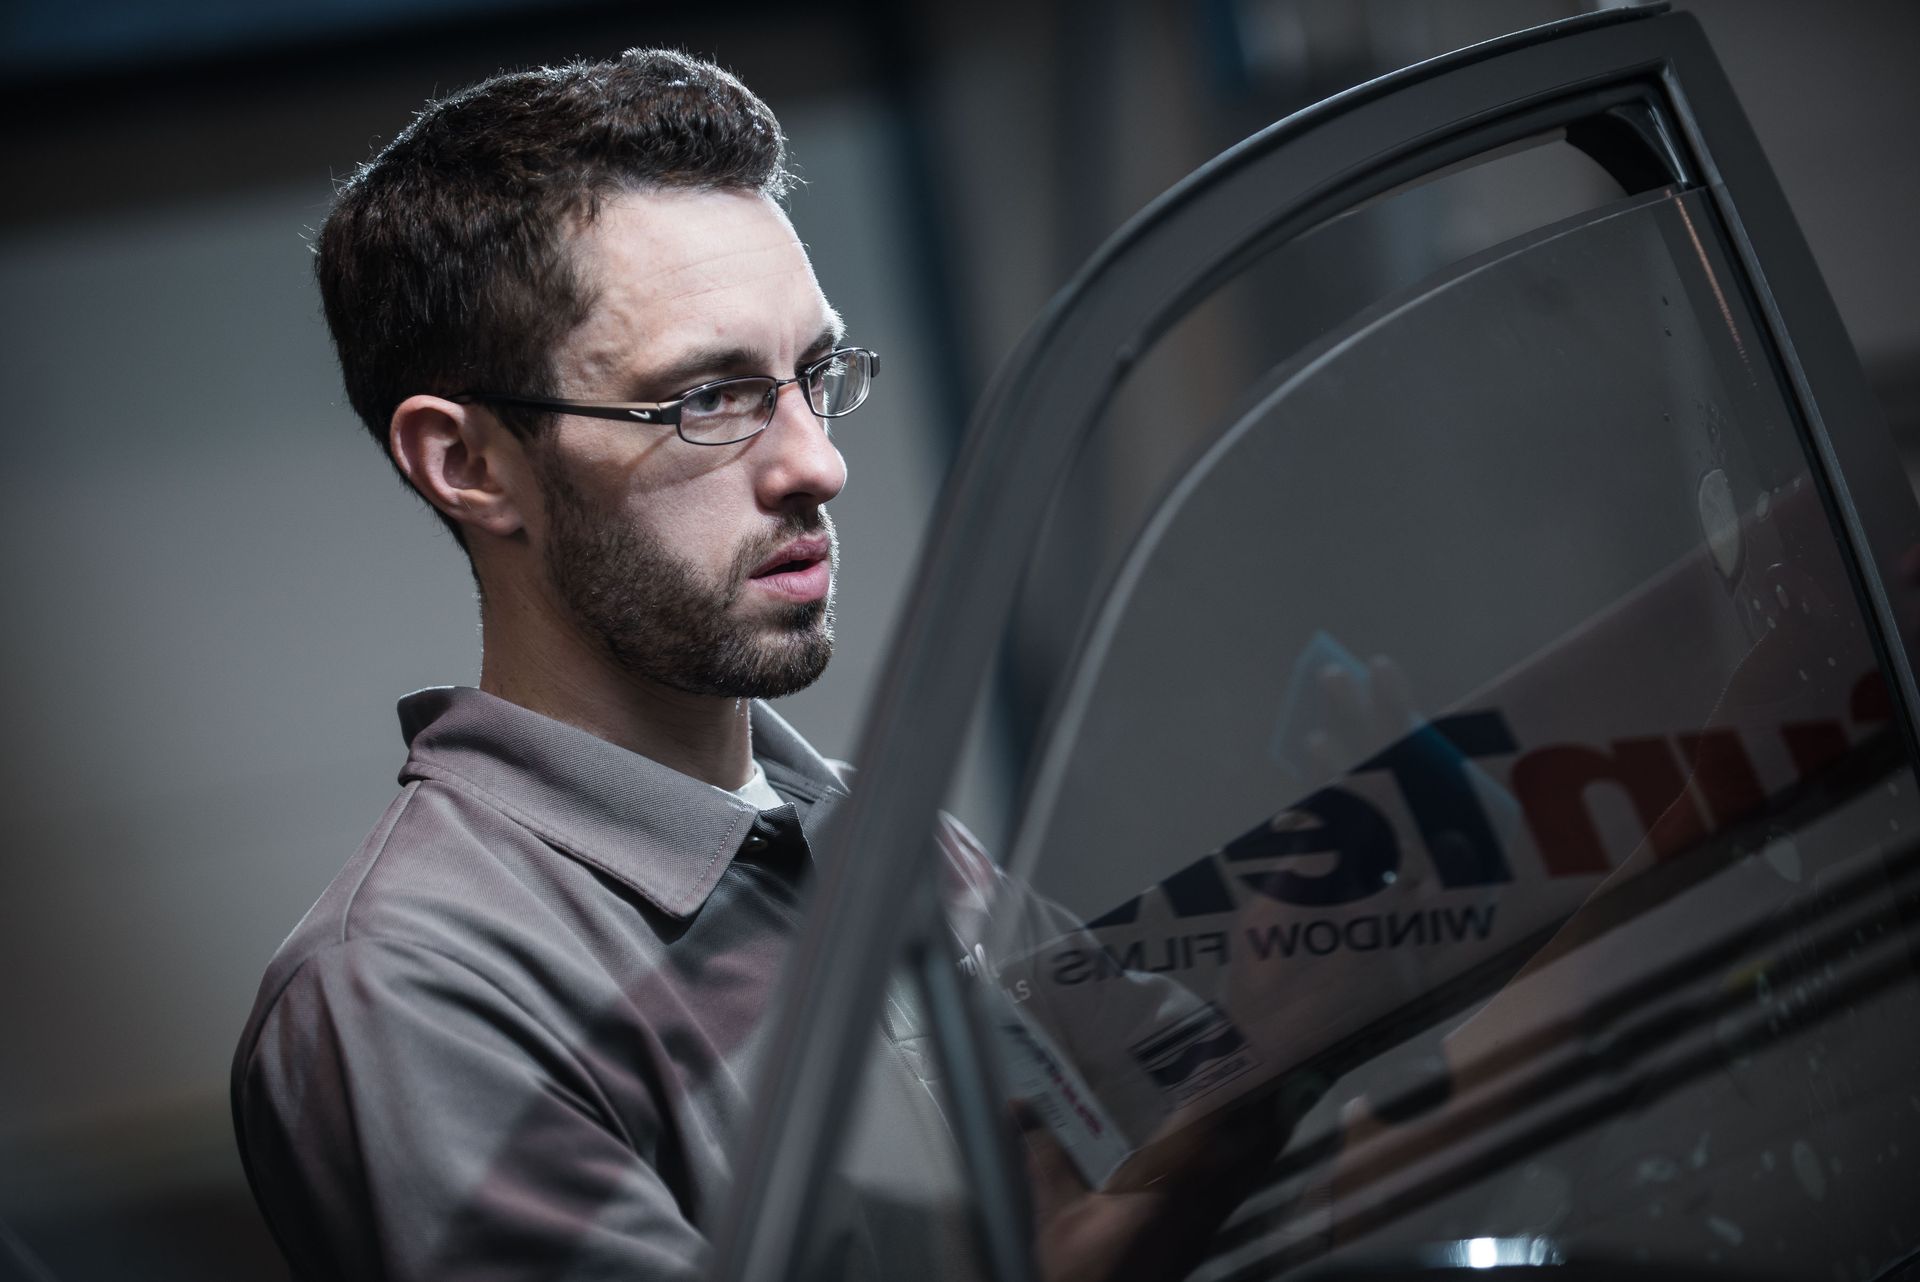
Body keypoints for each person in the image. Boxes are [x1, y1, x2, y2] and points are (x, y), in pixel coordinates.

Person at [230, 49, 899, 1280]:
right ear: (469, 465)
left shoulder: (897, 844)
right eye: (707, 398)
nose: (817, 464)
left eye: (813, 376)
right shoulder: (405, 992)